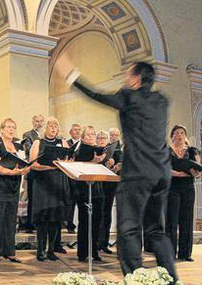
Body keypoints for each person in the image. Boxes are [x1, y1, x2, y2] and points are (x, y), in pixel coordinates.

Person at [59, 56, 178, 280]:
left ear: (135, 79)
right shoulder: (162, 100)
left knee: (129, 228)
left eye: (128, 74)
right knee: (156, 230)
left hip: (138, 172)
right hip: (162, 171)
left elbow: (96, 95)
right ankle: (170, 277)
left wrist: (71, 75)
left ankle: (134, 279)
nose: (125, 78)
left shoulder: (128, 97)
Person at [0, 118, 29, 263]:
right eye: (9, 127)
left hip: (13, 187)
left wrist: (25, 169)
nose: (11, 130)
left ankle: (9, 251)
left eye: (13, 127)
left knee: (11, 220)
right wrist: (13, 172)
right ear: (2, 129)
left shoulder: (18, 146)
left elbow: (24, 163)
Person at [29, 117, 70, 261]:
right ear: (45, 128)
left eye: (55, 126)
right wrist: (50, 166)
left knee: (55, 218)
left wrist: (63, 164)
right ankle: (40, 250)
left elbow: (68, 161)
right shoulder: (37, 143)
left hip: (58, 183)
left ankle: (51, 250)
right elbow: (32, 164)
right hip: (42, 182)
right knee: (43, 218)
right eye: (50, 126)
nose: (53, 129)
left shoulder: (63, 142)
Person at [73, 126, 107, 262]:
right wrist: (95, 161)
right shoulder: (81, 149)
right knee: (85, 222)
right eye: (88, 135)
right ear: (82, 138)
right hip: (84, 190)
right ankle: (82, 252)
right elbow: (80, 166)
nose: (91, 137)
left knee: (97, 222)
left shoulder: (97, 149)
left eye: (93, 134)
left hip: (97, 189)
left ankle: (94, 251)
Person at [166, 125, 200, 262]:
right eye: (177, 133)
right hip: (172, 187)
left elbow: (198, 170)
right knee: (172, 221)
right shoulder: (166, 151)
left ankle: (185, 253)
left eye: (182, 133)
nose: (179, 135)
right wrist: (177, 173)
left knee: (187, 220)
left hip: (188, 187)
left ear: (185, 136)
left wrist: (194, 172)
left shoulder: (192, 151)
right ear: (172, 136)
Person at [100, 129, 122, 255]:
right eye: (112, 135)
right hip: (102, 182)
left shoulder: (121, 149)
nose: (113, 137)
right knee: (101, 213)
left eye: (116, 135)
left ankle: (104, 243)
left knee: (107, 213)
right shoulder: (106, 148)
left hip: (113, 184)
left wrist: (118, 166)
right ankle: (98, 242)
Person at [22, 114, 44, 233]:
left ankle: (40, 222)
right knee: (32, 198)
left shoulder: (46, 136)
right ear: (32, 122)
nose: (39, 123)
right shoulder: (28, 135)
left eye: (41, 121)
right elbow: (28, 151)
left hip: (45, 172)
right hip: (32, 170)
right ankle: (30, 223)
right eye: (36, 121)